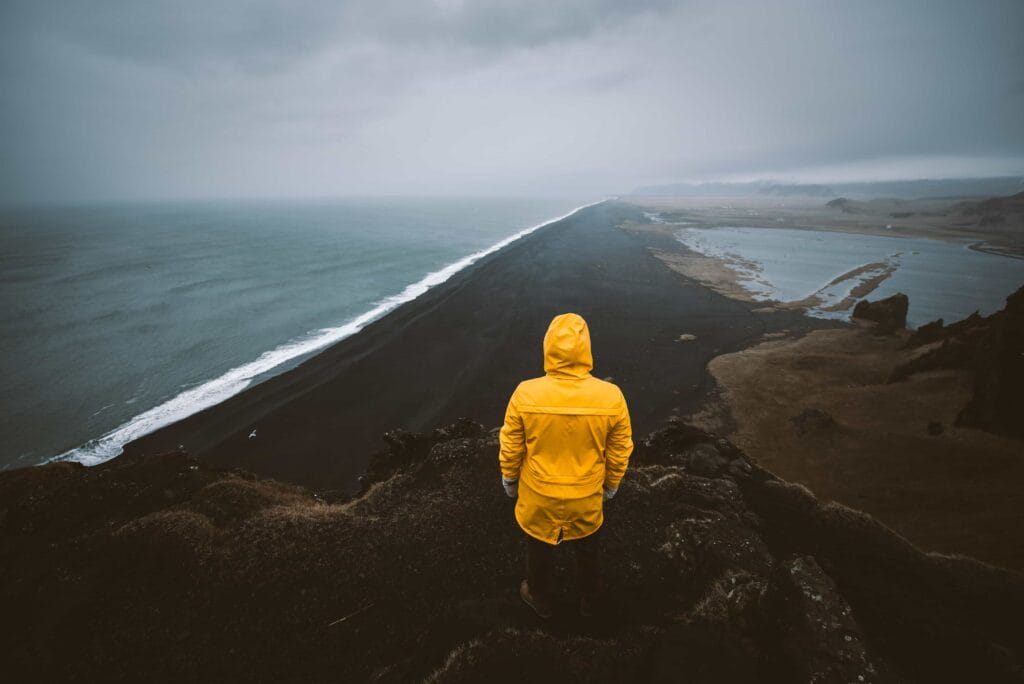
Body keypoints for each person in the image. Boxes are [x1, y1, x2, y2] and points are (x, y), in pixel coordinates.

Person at [498, 312, 633, 618]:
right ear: (587, 348)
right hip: (586, 498)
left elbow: (511, 444)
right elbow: (620, 449)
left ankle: (539, 596)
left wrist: (509, 480)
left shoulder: (525, 392)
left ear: (548, 347)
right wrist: (611, 484)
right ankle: (589, 600)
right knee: (588, 550)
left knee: (539, 549)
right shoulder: (611, 396)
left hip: (538, 496)